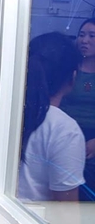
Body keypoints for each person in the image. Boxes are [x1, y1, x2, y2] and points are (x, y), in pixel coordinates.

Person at [19, 32, 85, 201]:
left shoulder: (8, 113)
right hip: (34, 217)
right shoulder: (64, 130)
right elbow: (66, 209)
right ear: (73, 77)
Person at [61, 19, 95, 200]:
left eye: (92, 36)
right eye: (81, 35)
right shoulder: (68, 69)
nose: (85, 40)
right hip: (67, 132)